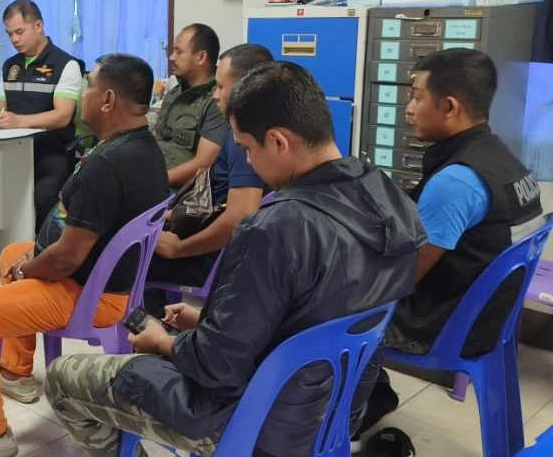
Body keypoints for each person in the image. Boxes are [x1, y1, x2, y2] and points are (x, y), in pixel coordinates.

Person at [44, 62, 424, 457]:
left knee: (63, 379)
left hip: (256, 423)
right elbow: (313, 314)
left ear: (277, 141)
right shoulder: (388, 198)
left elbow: (216, 366)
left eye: (246, 149)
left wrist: (165, 342)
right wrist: (209, 322)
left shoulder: (273, 228)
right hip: (336, 413)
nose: (250, 163)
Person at [0, 54, 169, 457]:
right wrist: (29, 257)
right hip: (102, 278)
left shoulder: (108, 165)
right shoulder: (144, 147)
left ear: (108, 100)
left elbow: (65, 260)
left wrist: (29, 268)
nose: (82, 95)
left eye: (89, 86)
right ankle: (15, 371)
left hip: (87, 292)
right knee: (11, 252)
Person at [356, 49, 545, 438]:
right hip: (490, 319)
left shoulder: (456, 181)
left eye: (416, 96)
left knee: (319, 301)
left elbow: (402, 277)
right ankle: (371, 392)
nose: (408, 109)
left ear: (449, 107)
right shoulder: (504, 161)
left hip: (442, 325)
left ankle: (353, 408)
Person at [143, 44, 273, 311]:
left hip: (205, 257)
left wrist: (179, 249)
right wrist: (173, 214)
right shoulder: (253, 132)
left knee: (121, 257)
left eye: (221, 87)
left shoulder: (244, 141)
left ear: (247, 88)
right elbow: (219, 199)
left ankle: (148, 331)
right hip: (200, 237)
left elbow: (239, 217)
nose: (215, 96)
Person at [0, 0, 83, 231]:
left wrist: (20, 121)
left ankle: (41, 245)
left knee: (42, 196)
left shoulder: (65, 64)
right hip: (13, 147)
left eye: (19, 32)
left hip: (51, 150)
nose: (14, 39)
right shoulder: (11, 66)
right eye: (9, 34)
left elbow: (62, 116)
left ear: (38, 26)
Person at [155, 24, 227, 187]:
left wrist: (155, 183)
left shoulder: (217, 100)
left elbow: (204, 163)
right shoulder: (175, 93)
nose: (171, 57)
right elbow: (160, 137)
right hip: (156, 176)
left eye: (179, 52)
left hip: (181, 191)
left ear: (201, 57)